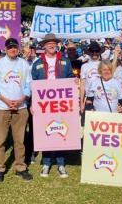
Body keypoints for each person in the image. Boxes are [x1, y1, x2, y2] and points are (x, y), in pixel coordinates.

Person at [0, 38, 32, 182]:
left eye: (15, 47)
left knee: (19, 141)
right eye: (10, 47)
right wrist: (6, 101)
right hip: (1, 108)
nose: (13, 50)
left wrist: (21, 100)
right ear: (5, 49)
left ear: (18, 48)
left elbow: (28, 85)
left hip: (20, 108)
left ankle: (20, 167)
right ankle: (0, 168)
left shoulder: (24, 64)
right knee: (0, 140)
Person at [31, 33, 74, 178]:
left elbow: (70, 79)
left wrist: (75, 84)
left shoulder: (65, 61)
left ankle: (61, 163)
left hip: (60, 103)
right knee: (46, 131)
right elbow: (33, 86)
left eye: (53, 43)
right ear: (44, 45)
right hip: (44, 104)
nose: (51, 45)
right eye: (48, 43)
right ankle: (46, 162)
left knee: (61, 129)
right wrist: (32, 103)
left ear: (56, 44)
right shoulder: (37, 63)